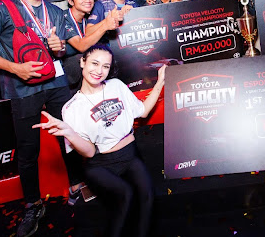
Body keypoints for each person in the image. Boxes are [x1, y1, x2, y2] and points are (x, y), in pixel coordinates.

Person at [0, 0, 80, 237]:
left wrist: (59, 48)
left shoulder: (54, 11)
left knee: (69, 138)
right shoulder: (1, 9)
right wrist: (16, 69)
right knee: (28, 148)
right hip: (21, 87)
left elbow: (60, 51)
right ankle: (33, 204)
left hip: (56, 82)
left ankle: (77, 186)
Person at [34, 44, 166, 237]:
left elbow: (143, 111)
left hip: (130, 155)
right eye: (94, 63)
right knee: (126, 196)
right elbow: (89, 152)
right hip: (100, 164)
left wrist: (160, 81)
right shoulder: (72, 107)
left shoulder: (116, 86)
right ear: (82, 62)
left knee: (147, 197)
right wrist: (69, 132)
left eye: (105, 66)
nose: (99, 71)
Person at [62, 0, 121, 94]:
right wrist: (105, 25)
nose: (88, 0)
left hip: (87, 73)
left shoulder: (89, 18)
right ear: (70, 1)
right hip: (68, 76)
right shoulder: (62, 18)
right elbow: (81, 46)